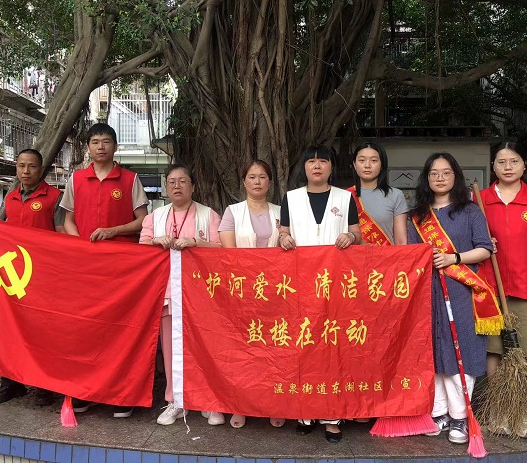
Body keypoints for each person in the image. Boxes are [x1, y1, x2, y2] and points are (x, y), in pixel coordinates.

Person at [60, 123, 149, 418]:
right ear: (88, 147)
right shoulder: (76, 179)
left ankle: (122, 394)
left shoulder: (130, 179)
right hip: (85, 268)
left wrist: (113, 231)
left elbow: (143, 221)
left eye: (106, 141)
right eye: (95, 141)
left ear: (115, 146)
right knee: (86, 327)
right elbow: (68, 219)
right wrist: (78, 243)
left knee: (120, 328)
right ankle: (86, 391)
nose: (101, 146)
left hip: (121, 267)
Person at [408, 152, 493, 445]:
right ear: (426, 178)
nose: (440, 178)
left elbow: (484, 248)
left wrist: (453, 257)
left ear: (455, 176)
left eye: (446, 172)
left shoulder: (469, 211)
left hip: (461, 291)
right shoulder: (417, 216)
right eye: (434, 173)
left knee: (462, 349)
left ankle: (460, 417)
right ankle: (439, 412)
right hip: (427, 291)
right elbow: (409, 255)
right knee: (434, 351)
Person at [278, 145, 362, 443]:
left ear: (331, 166)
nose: (317, 166)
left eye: (323, 161)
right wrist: (284, 239)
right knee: (302, 346)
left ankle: (332, 417)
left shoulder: (345, 198)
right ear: (304, 166)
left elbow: (357, 233)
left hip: (334, 284)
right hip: (300, 283)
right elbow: (283, 232)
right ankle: (305, 412)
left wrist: (350, 236)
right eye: (311, 161)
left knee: (332, 347)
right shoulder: (290, 198)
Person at [0, 148, 65, 407]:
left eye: (32, 166)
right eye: (21, 166)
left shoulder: (55, 197)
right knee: (9, 328)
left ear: (41, 169)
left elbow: (62, 234)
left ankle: (45, 386)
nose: (26, 171)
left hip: (43, 276)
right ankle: (11, 383)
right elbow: (0, 228)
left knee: (41, 330)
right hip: (13, 277)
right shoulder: (10, 197)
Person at [480, 142, 527, 439]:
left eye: (514, 161)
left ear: (525, 165)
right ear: (493, 167)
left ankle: (523, 414)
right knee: (494, 351)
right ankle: (499, 412)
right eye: (501, 162)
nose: (508, 167)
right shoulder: (480, 200)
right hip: (491, 287)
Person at [139, 164, 223, 426]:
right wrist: (155, 241)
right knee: (171, 349)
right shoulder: (155, 217)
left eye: (183, 181)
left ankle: (209, 400)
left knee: (205, 347)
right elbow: (141, 249)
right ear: (166, 187)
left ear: (193, 187)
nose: (177, 186)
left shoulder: (208, 215)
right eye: (172, 181)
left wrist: (196, 243)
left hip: (202, 294)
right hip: (167, 292)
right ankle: (176, 400)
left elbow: (222, 249)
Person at [219, 160, 285, 429]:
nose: (257, 182)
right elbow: (229, 254)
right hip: (243, 291)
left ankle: (274, 404)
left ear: (270, 182)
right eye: (252, 177)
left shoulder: (282, 212)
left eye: (262, 177)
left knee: (275, 348)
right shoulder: (232, 212)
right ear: (244, 182)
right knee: (244, 350)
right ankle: (241, 406)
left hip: (276, 292)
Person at [349, 142, 408, 246]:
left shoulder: (395, 195)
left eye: (373, 160)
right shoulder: (344, 196)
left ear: (382, 165)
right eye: (362, 160)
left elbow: (401, 241)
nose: (367, 165)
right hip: (354, 255)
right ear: (354, 164)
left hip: (386, 255)